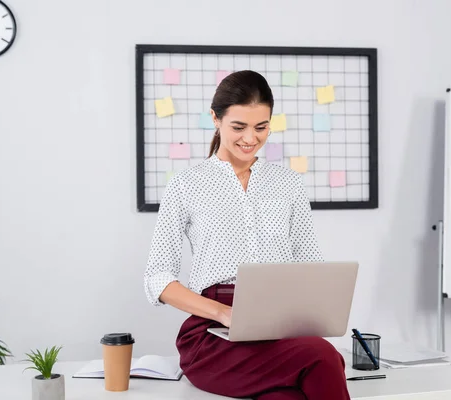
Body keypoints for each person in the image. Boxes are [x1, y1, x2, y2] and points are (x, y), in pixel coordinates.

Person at [143, 70, 351, 400]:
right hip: (211, 333)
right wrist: (223, 312)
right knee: (324, 357)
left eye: (261, 127)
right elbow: (158, 278)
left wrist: (315, 309)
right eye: (238, 127)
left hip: (279, 326)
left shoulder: (289, 184)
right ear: (215, 118)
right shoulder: (186, 185)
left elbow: (310, 263)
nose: (250, 138)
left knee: (292, 391)